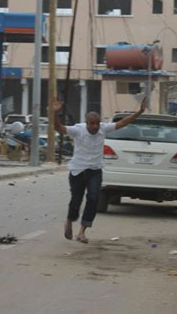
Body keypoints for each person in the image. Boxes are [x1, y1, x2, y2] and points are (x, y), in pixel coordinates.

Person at [53, 97, 147, 243]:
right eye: (92, 124)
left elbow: (123, 122)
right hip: (77, 170)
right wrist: (54, 113)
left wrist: (139, 112)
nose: (95, 127)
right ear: (87, 123)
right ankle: (69, 221)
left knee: (94, 198)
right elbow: (58, 128)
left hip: (95, 171)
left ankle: (82, 232)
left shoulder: (103, 128)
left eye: (97, 123)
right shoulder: (78, 130)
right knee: (76, 200)